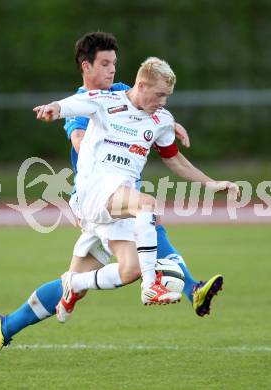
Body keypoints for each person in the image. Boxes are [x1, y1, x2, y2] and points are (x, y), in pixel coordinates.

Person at [0, 32, 228, 366]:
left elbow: (146, 112)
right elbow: (79, 127)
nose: (113, 70)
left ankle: (6, 326)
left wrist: (168, 126)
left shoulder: (126, 95)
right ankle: (178, 289)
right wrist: (64, 117)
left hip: (116, 200)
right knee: (149, 214)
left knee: (116, 272)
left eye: (115, 63)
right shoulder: (92, 100)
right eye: (105, 63)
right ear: (87, 66)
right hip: (95, 193)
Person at [33, 56, 239, 323]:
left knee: (129, 269)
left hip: (119, 198)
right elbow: (72, 104)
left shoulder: (162, 120)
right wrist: (54, 108)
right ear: (141, 86)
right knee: (147, 204)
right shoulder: (106, 102)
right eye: (159, 95)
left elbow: (175, 159)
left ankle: (76, 284)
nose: (163, 102)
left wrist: (212, 183)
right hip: (93, 191)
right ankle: (151, 286)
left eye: (167, 96)